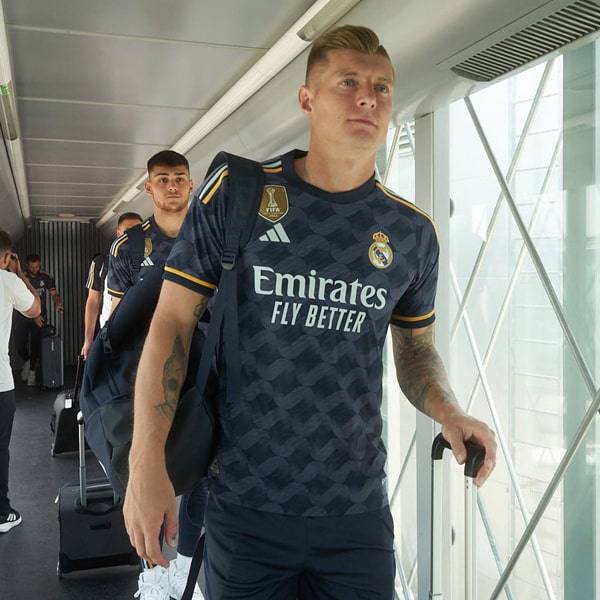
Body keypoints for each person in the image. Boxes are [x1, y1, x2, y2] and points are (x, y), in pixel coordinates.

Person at [124, 25, 497, 599]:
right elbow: (171, 324)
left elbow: (416, 350)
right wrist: (146, 462)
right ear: (307, 99)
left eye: (381, 87)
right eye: (347, 82)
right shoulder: (238, 195)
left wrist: (448, 410)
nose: (368, 98)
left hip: (355, 512)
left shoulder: (411, 234)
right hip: (245, 505)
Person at [106, 150, 206, 600]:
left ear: (191, 184)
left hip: (202, 377)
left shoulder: (210, 238)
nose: (172, 186)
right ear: (148, 187)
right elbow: (118, 322)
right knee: (146, 473)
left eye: (179, 178)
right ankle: (152, 570)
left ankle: (182, 565)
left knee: (200, 475)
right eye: (162, 179)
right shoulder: (129, 248)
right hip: (147, 380)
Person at [0, 229, 41, 533]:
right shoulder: (8, 280)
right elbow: (35, 308)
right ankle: (2, 513)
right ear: (6, 257)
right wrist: (19, 274)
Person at [80, 212, 143, 360]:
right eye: (128, 231)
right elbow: (93, 301)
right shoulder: (101, 263)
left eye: (138, 231)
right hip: (110, 335)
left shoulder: (154, 261)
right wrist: (88, 340)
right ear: (118, 234)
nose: (133, 236)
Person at [13, 253, 63, 386]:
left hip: (40, 316)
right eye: (32, 267)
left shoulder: (46, 277)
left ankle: (32, 373)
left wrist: (57, 303)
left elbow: (54, 294)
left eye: (37, 267)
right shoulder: (21, 277)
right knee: (19, 344)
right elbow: (18, 298)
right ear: (26, 265)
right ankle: (29, 362)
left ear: (40, 265)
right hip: (23, 316)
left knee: (36, 344)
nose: (34, 269)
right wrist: (33, 315)